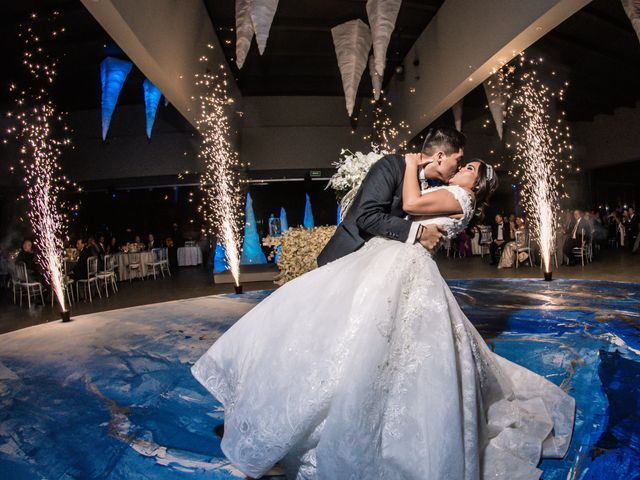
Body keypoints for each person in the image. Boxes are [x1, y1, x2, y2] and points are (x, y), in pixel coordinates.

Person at [192, 159, 575, 479]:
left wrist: (408, 163)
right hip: (399, 259)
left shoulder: (459, 195)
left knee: (373, 336)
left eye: (470, 168)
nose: (462, 167)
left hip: (402, 264)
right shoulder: (456, 194)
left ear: (477, 183)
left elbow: (409, 203)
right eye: (464, 164)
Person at [317, 127, 466, 267]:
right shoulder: (392, 165)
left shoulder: (433, 187)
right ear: (440, 156)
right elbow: (367, 216)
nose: (459, 167)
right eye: (458, 160)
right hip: (347, 258)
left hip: (381, 267)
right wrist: (420, 232)